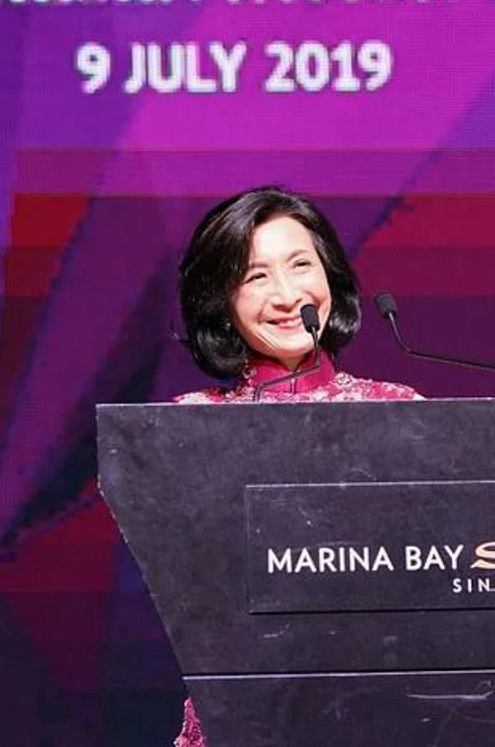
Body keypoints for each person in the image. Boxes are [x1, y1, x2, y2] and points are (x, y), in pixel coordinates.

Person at [168, 185, 420, 746]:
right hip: (249, 717)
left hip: (387, 713)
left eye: (301, 265)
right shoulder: (189, 429)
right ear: (220, 301)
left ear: (329, 276)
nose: (286, 295)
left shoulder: (400, 410)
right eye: (255, 276)